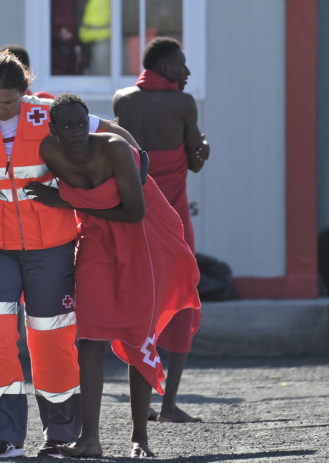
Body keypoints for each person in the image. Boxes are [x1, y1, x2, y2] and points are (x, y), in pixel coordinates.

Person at [0, 50, 139, 459]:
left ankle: (59, 433)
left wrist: (139, 162)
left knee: (53, 337)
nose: (1, 107)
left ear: (25, 92)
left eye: (10, 100)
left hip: (53, 245)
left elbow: (110, 132)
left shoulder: (49, 114)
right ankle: (4, 438)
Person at [25, 93, 201, 457]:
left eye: (81, 124)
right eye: (67, 126)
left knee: (139, 335)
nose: (75, 132)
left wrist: (67, 200)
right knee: (89, 337)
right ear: (53, 129)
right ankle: (90, 439)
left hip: (144, 239)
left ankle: (140, 437)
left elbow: (133, 213)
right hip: (95, 243)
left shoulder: (115, 148)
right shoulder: (49, 152)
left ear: (89, 123)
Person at [112, 36, 210, 423]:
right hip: (174, 218)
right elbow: (195, 163)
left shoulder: (123, 100)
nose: (186, 73)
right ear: (166, 68)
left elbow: (120, 153)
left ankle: (144, 400)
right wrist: (203, 149)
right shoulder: (182, 103)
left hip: (137, 215)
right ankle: (168, 405)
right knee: (183, 295)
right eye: (182, 66)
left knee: (141, 300)